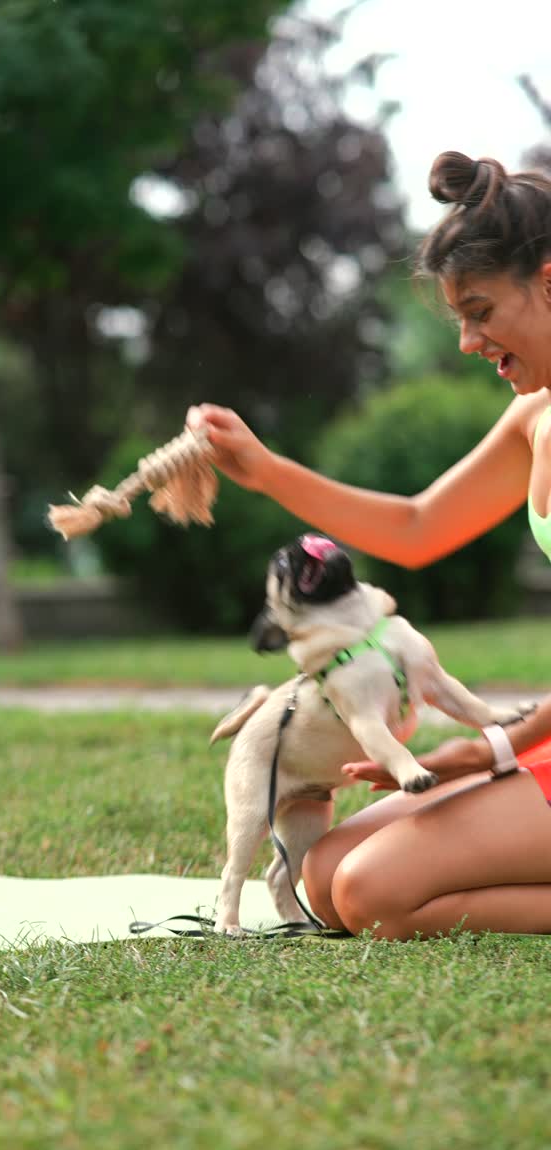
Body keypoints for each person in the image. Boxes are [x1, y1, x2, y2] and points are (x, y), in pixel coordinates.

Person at [187, 149, 551, 941]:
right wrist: (265, 470)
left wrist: (492, 747)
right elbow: (418, 528)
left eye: (481, 311)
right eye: (459, 317)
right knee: (321, 872)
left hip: (538, 736)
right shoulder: (535, 417)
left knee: (370, 895)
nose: (466, 341)